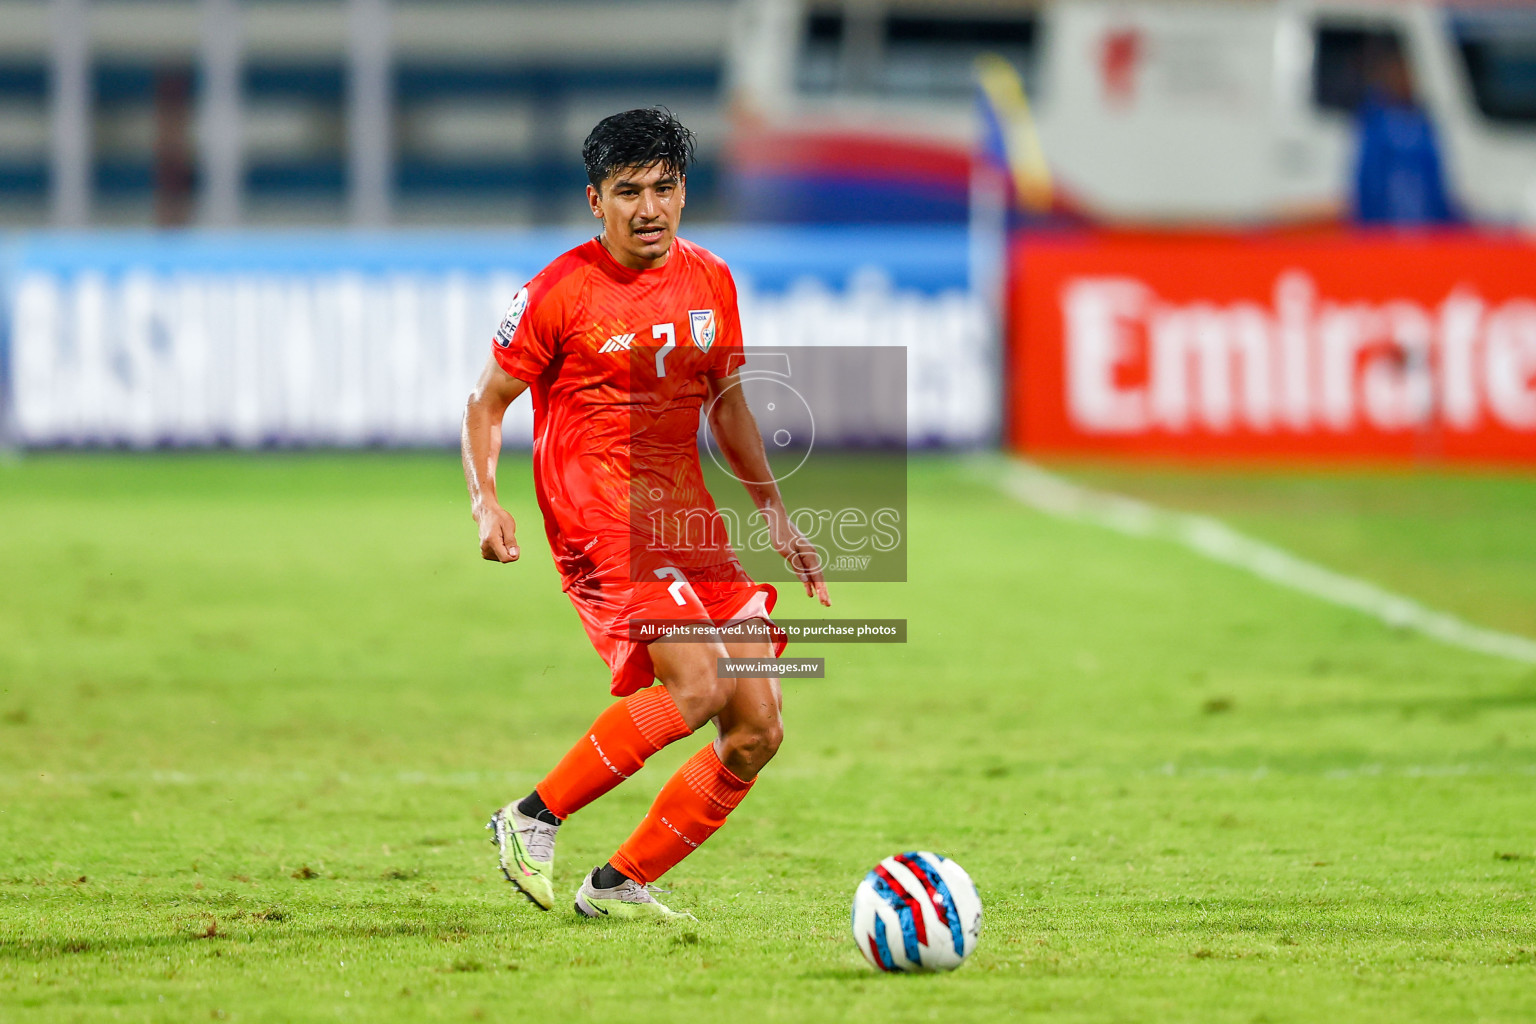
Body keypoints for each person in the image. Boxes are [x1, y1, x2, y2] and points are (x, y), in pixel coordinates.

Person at [460, 108, 830, 919]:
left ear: (685, 191)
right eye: (629, 192)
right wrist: (488, 503)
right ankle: (531, 818)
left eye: (664, 188)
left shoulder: (711, 280)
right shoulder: (559, 291)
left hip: (683, 516)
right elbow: (486, 404)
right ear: (596, 199)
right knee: (697, 682)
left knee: (758, 726)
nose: (649, 208)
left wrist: (774, 513)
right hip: (596, 516)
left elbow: (726, 403)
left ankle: (621, 884)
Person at [1351, 40, 1460, 226]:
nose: (1405, 78)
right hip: (1383, 234)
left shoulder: (1427, 121)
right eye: (1398, 71)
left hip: (1426, 232)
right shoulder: (1371, 123)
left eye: (1409, 72)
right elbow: (1366, 187)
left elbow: (1439, 184)